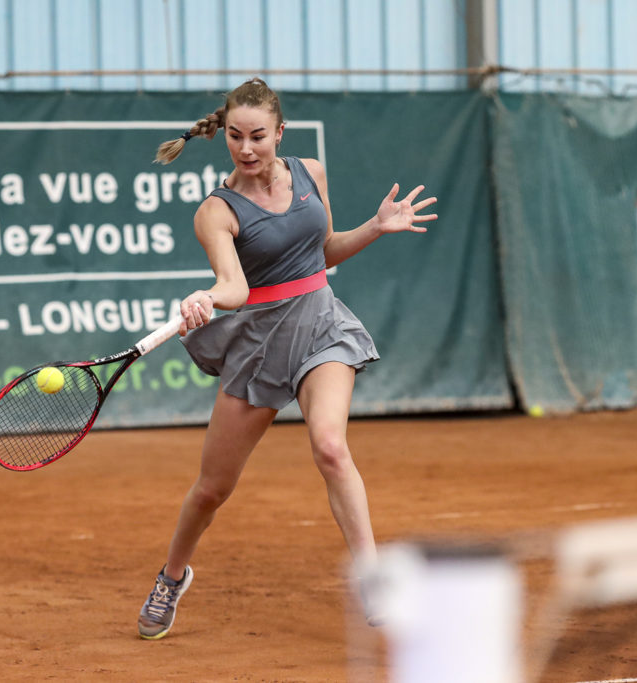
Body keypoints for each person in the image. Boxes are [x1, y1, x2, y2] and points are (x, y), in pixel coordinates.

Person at [137, 77, 438, 640]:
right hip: (259, 342)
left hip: (322, 324)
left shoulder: (311, 173)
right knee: (211, 490)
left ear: (280, 132)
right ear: (222, 134)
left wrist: (375, 227)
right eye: (234, 137)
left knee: (330, 445)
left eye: (257, 137)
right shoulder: (215, 212)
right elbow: (233, 287)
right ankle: (172, 576)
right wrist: (206, 298)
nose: (246, 149)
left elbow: (322, 251)